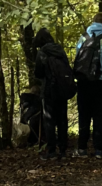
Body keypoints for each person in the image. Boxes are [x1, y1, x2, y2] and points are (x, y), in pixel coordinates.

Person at [73, 12, 102, 159]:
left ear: (93, 22)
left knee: (84, 115)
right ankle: (98, 150)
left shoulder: (83, 38)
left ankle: (82, 149)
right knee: (100, 117)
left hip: (83, 83)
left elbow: (77, 59)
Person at [33, 28, 71, 160]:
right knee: (62, 120)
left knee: (49, 121)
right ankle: (63, 150)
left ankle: (51, 151)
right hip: (62, 89)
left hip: (49, 90)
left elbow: (38, 72)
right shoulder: (60, 50)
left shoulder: (42, 53)